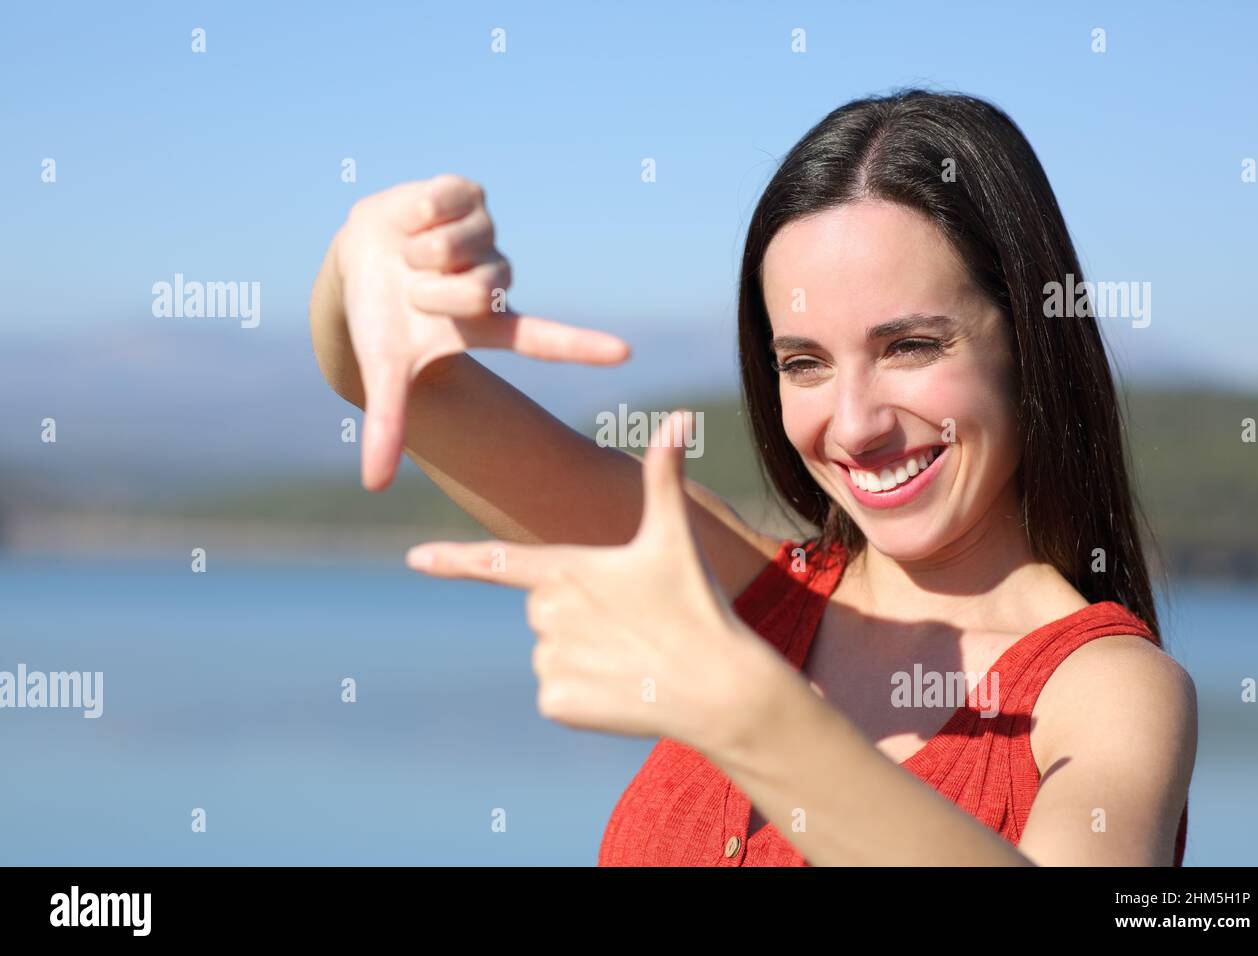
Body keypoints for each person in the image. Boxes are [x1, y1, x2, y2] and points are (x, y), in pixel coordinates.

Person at [309, 89, 1195, 866]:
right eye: (804, 363)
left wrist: (753, 716)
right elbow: (380, 374)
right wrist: (365, 267)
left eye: (911, 346)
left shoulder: (1108, 690)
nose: (852, 424)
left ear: (1027, 348)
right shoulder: (736, 586)